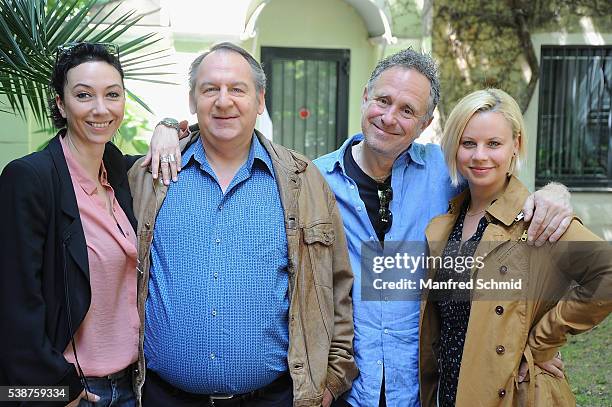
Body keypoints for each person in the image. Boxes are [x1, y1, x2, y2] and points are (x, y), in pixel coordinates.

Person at [313, 49, 574, 407]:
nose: (389, 117)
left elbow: (506, 193)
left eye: (407, 110)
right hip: (346, 387)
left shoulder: (448, 173)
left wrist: (554, 193)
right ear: (365, 97)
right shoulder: (314, 181)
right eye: (383, 101)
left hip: (423, 389)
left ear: (425, 122)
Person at [127, 42, 357, 407]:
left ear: (260, 99)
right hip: (163, 397)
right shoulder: (150, 177)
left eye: (237, 89)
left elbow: (337, 283)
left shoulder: (303, 180)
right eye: (210, 89)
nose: (223, 101)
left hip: (275, 398)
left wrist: (331, 380)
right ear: (192, 100)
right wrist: (167, 125)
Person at [419, 88, 612, 406]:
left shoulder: (537, 217)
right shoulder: (447, 222)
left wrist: (542, 342)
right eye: (469, 143)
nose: (479, 155)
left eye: (493, 143)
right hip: (449, 392)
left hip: (514, 393)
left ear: (515, 146)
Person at [0, 42, 140, 406]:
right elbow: (15, 302)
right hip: (68, 390)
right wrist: (58, 390)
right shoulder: (29, 177)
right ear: (60, 104)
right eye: (83, 95)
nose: (100, 109)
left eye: (112, 94)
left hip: (130, 387)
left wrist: (168, 127)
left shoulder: (121, 173)